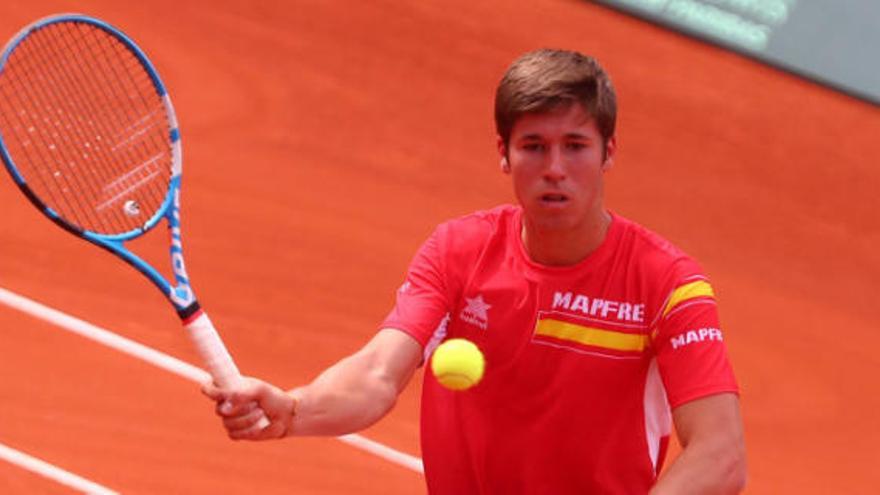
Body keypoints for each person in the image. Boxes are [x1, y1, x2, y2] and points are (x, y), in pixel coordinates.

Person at [203, 48, 747, 494]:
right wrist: (295, 410)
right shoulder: (459, 252)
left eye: (575, 146)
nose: (555, 169)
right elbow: (377, 373)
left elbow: (720, 455)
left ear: (608, 153)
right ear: (504, 154)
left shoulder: (667, 283)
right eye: (534, 146)